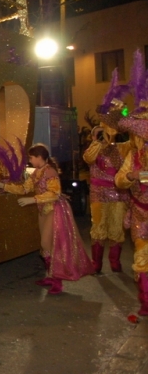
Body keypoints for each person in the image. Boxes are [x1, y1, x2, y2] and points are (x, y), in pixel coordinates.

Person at [0, 144, 94, 294]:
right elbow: (24, 188)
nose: (30, 160)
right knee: (45, 246)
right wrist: (3, 186)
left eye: (31, 157)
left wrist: (32, 200)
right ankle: (51, 276)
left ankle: (57, 281)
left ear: (39, 157)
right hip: (44, 211)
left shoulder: (49, 172)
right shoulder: (37, 172)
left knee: (50, 244)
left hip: (54, 210)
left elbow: (55, 193)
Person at [84, 69, 133, 274]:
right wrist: (100, 141)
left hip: (119, 194)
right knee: (98, 228)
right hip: (98, 193)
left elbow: (137, 150)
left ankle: (115, 261)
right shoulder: (95, 147)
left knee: (117, 229)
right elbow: (88, 158)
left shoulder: (123, 148)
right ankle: (96, 263)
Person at [114, 60, 148, 314]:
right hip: (138, 212)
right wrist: (131, 177)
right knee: (141, 257)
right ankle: (146, 302)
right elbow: (120, 179)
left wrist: (143, 174)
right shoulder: (132, 156)